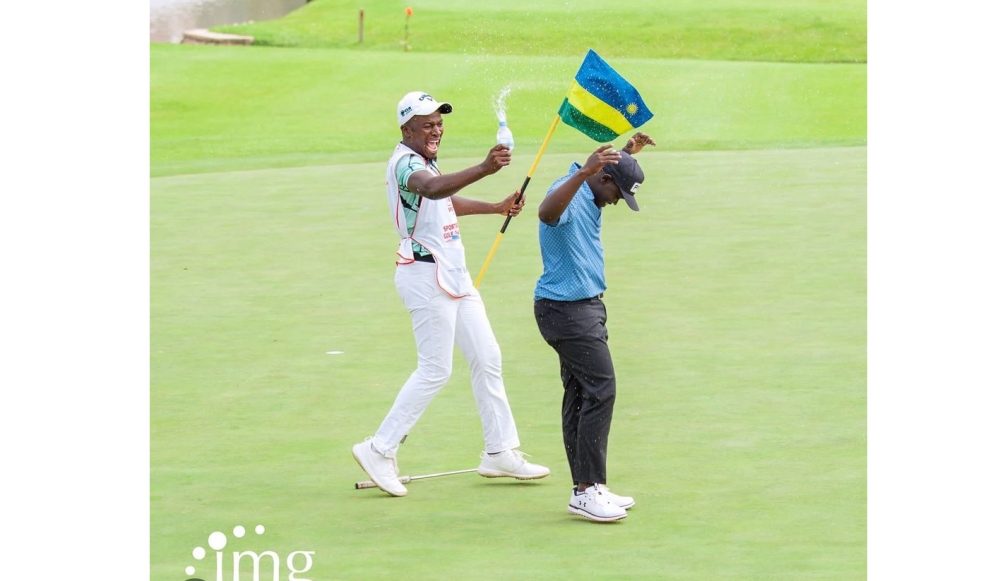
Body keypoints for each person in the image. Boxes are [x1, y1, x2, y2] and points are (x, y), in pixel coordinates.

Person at [352, 91, 550, 497]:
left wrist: (494, 207)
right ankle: (379, 448)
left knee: (487, 357)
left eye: (439, 122)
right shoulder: (406, 164)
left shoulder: (424, 159)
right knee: (435, 369)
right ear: (406, 129)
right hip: (425, 276)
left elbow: (444, 202)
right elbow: (433, 189)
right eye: (427, 124)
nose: (436, 129)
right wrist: (483, 168)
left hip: (453, 276)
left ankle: (499, 452)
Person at [532, 132, 657, 522]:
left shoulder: (591, 187)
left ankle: (587, 488)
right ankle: (588, 490)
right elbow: (546, 213)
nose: (619, 201)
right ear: (602, 179)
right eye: (619, 193)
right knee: (602, 389)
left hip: (582, 308)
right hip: (567, 311)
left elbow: (601, 177)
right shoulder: (568, 191)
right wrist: (586, 169)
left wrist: (627, 154)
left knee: (581, 393)